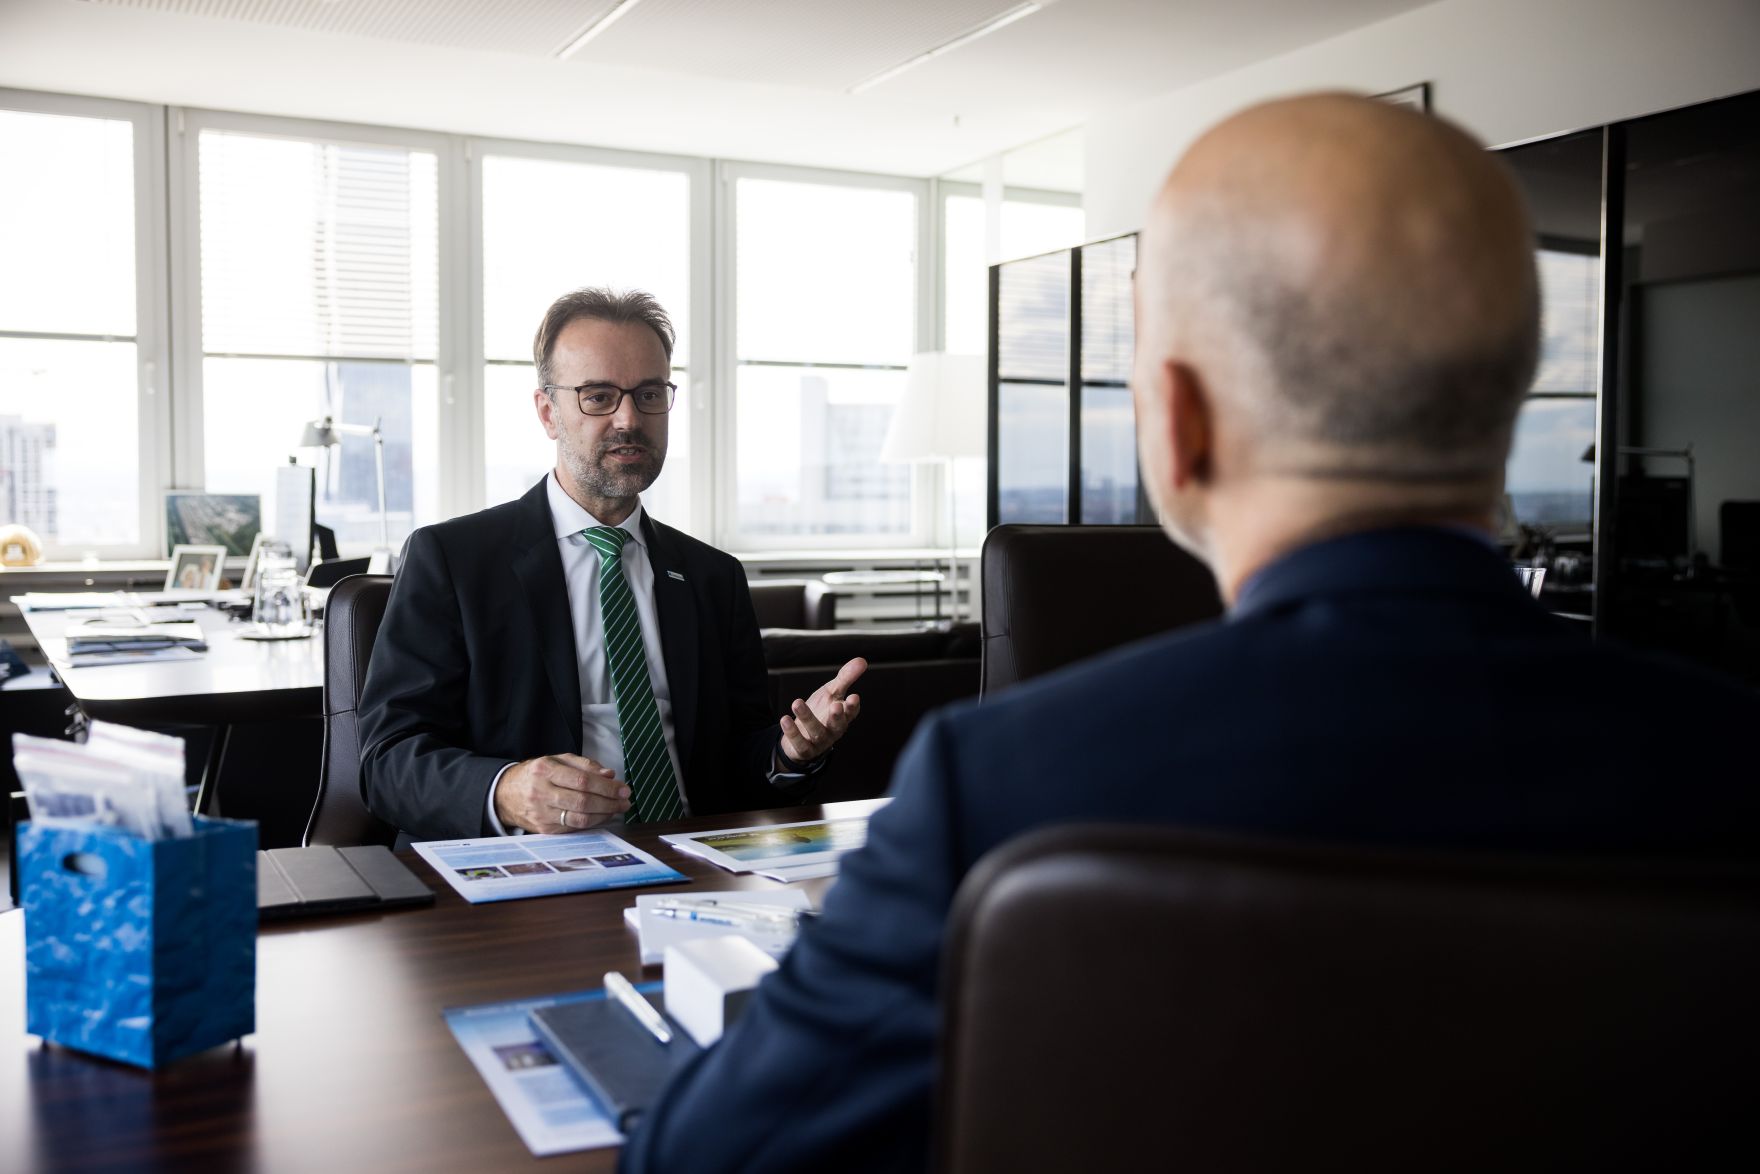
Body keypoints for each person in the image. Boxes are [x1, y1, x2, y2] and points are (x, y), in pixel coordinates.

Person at [620, 94, 1759, 1172]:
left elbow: (706, 1154)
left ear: (1177, 422)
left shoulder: (1000, 787)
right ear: (1510, 407)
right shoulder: (1729, 758)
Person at [358, 289, 865, 841]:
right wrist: (504, 790)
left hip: (690, 860)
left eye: (649, 394)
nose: (629, 418)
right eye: (598, 396)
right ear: (548, 412)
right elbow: (387, 761)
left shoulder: (712, 576)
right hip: (528, 874)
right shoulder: (453, 561)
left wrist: (789, 752)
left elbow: (738, 765)